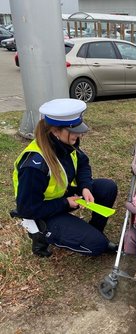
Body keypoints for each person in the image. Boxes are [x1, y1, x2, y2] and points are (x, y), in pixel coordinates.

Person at [12, 98, 118, 257]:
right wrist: (65, 203)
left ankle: (94, 233)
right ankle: (39, 232)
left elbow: (83, 163)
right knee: (97, 246)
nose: (79, 134)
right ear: (55, 131)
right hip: (41, 211)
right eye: (74, 130)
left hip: (62, 196)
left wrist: (85, 187)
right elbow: (27, 209)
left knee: (107, 187)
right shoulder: (35, 165)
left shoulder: (65, 142)